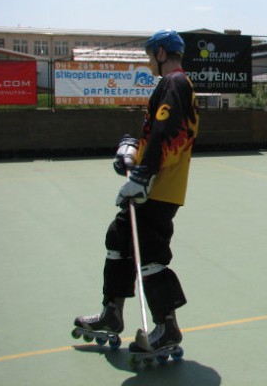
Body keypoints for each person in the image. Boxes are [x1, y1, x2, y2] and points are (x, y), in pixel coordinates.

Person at [74, 30, 200, 352]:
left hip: (159, 188)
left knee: (150, 252)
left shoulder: (174, 82)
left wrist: (142, 175)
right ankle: (112, 314)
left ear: (160, 52)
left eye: (149, 55)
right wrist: (132, 153)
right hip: (154, 184)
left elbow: (166, 132)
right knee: (119, 238)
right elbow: (154, 133)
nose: (148, 61)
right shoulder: (173, 85)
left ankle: (167, 328)